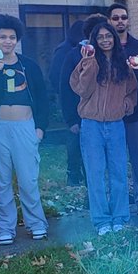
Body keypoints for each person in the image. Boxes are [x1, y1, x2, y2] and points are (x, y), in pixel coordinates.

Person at [0, 14, 50, 246]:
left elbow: (42, 96)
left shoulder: (29, 65)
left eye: (11, 37)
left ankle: (36, 224)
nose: (7, 41)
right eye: (2, 37)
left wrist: (40, 128)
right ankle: (3, 228)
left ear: (17, 39)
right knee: (0, 181)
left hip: (25, 127)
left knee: (28, 179)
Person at [70, 18, 138, 235]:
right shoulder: (86, 62)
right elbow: (81, 89)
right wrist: (88, 63)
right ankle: (101, 221)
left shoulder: (123, 63)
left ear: (114, 39)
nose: (105, 40)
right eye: (100, 37)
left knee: (118, 172)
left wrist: (126, 105)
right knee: (95, 174)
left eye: (109, 36)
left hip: (116, 125)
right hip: (91, 126)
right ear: (94, 40)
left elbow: (132, 90)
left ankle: (120, 217)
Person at [109, 3, 138, 214]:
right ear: (109, 21)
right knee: (115, 161)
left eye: (123, 17)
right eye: (115, 18)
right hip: (112, 115)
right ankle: (118, 202)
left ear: (128, 20)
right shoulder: (105, 47)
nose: (120, 21)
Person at [49, 19, 88, 186]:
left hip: (84, 101)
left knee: (82, 141)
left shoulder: (76, 49)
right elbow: (58, 79)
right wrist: (69, 115)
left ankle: (80, 174)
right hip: (72, 100)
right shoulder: (66, 51)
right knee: (74, 137)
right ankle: (73, 173)